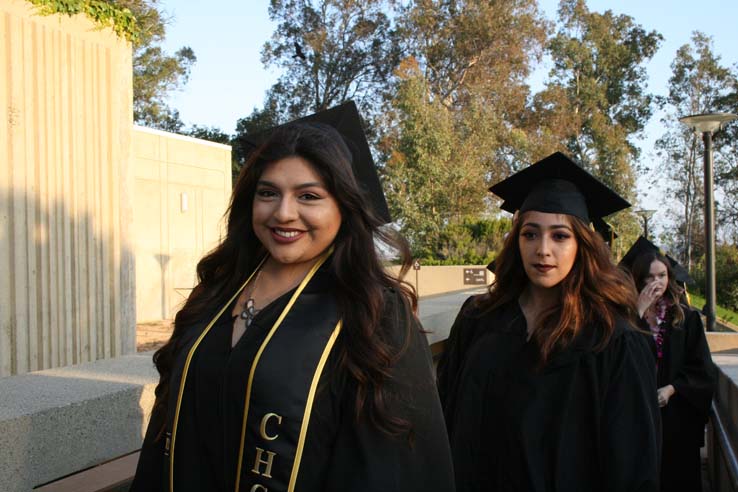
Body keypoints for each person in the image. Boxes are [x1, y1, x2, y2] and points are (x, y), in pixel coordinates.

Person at [131, 101, 455, 492]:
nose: (283, 213)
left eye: (309, 196)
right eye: (268, 193)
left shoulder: (374, 312)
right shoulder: (217, 293)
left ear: (344, 207)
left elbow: (394, 467)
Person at [437, 152, 661, 491]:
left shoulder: (613, 340)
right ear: (517, 241)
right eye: (530, 234)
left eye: (560, 236)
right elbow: (445, 416)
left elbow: (632, 467)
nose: (543, 249)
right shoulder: (478, 318)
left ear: (582, 245)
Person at [620, 236, 716, 492]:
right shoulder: (623, 318)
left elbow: (702, 369)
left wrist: (672, 389)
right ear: (637, 280)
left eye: (661, 275)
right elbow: (617, 359)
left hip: (676, 419)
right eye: (649, 278)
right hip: (636, 415)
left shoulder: (685, 319)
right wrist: (637, 312)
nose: (657, 283)